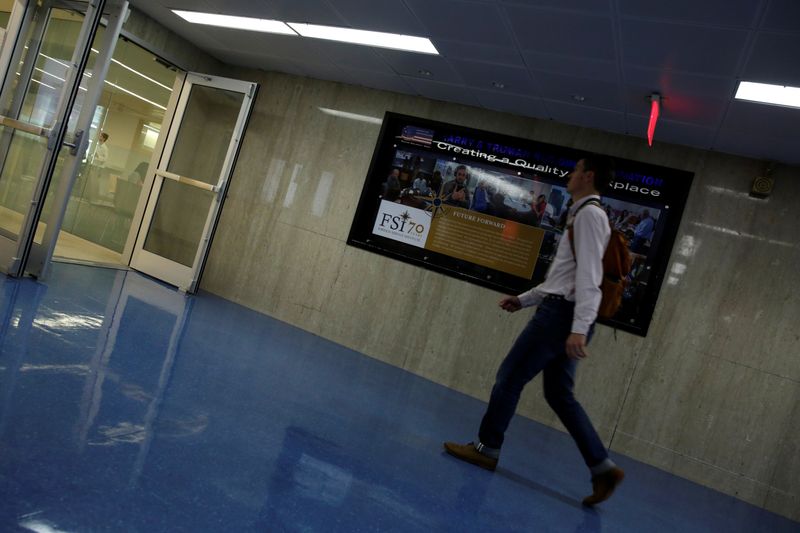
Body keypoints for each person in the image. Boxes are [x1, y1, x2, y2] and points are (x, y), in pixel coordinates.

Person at [443, 154, 625, 506]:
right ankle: (602, 467)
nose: (570, 175)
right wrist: (525, 300)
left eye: (575, 170)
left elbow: (590, 278)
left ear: (588, 176)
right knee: (559, 395)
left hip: (561, 318)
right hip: (563, 314)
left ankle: (486, 447)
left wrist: (579, 327)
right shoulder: (582, 214)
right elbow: (564, 277)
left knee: (509, 378)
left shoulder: (588, 215)